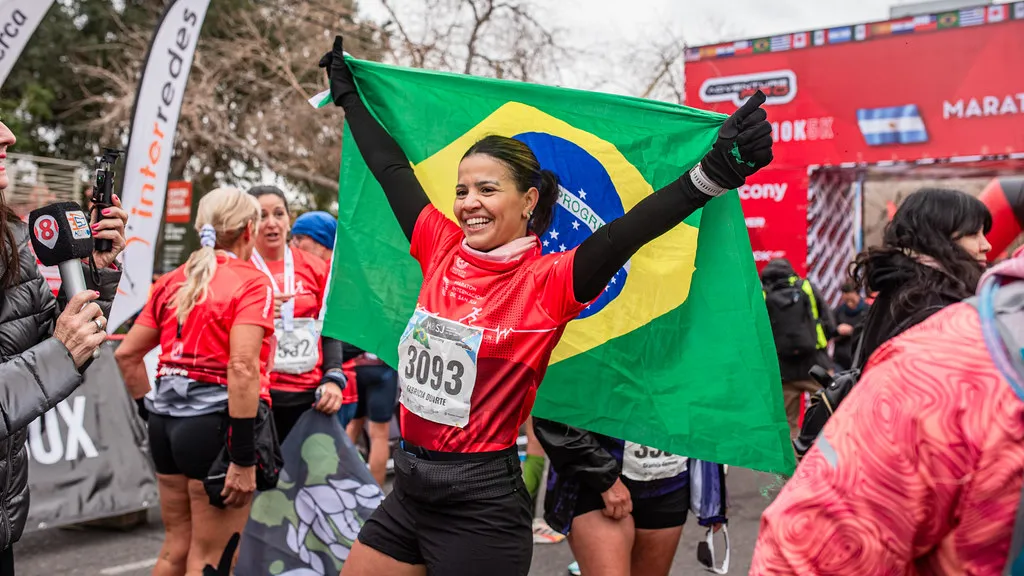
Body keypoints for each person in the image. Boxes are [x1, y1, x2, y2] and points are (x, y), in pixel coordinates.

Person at [319, 36, 774, 576]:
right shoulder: (440, 247)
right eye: (462, 190)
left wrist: (712, 176)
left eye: (487, 189)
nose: (468, 203)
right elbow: (391, 169)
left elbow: (632, 230)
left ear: (528, 200)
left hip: (479, 508)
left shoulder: (551, 281)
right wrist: (349, 99)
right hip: (410, 491)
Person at [751, 248, 1024, 575]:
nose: (984, 244)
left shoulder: (936, 353)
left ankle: (790, 475)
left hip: (787, 370)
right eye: (975, 232)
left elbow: (807, 553)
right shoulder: (951, 358)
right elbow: (822, 319)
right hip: (815, 362)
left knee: (788, 424)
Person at [114, 187, 273, 575]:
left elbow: (126, 355)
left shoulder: (171, 280)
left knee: (175, 548)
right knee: (212, 557)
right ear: (248, 230)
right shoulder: (252, 282)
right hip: (215, 427)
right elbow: (241, 368)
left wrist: (150, 414)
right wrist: (243, 455)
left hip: (167, 426)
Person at [0, 121, 126, 574]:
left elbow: (57, 349)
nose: (8, 135)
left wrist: (92, 270)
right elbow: (53, 356)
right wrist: (58, 353)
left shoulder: (11, 237)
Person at [534, 418, 727, 576]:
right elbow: (556, 410)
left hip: (668, 480)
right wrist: (604, 477)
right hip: (596, 480)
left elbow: (708, 400)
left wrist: (713, 492)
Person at [247, 186, 347, 442]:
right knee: (258, 479)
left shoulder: (315, 267)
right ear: (248, 222)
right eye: (261, 216)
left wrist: (334, 377)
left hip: (309, 397)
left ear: (288, 220)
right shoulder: (241, 268)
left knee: (310, 480)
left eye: (278, 214)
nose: (271, 223)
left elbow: (330, 326)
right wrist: (261, 311)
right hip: (256, 396)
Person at [851, 187, 991, 364]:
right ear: (936, 239)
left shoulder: (899, 292)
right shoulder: (932, 306)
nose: (986, 245)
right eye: (972, 234)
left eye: (983, 234)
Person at [760, 258, 834, 441]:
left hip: (783, 370)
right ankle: (827, 464)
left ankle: (794, 468)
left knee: (788, 425)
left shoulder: (763, 296)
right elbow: (829, 323)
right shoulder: (806, 288)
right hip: (815, 365)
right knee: (828, 416)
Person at [345, 352, 398, 487]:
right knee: (379, 436)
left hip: (355, 364)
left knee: (352, 427)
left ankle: (341, 488)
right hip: (382, 366)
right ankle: (376, 496)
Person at [830, 281, 869, 372]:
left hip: (861, 360)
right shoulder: (838, 312)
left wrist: (852, 331)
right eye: (846, 300)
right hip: (840, 361)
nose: (849, 304)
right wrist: (837, 330)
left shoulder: (868, 311)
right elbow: (828, 331)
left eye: (852, 300)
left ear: (858, 295)